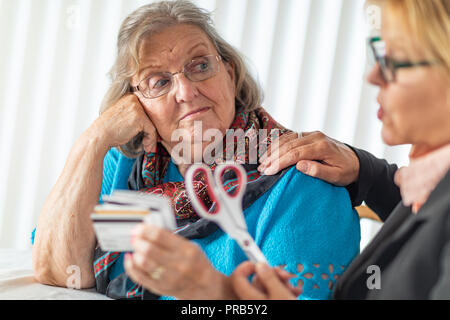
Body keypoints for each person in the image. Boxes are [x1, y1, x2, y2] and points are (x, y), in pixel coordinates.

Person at [31, 0, 360, 300]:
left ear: (229, 74)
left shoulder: (300, 180)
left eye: (200, 65)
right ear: (134, 104)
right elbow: (59, 267)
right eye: (158, 82)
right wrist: (94, 139)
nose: (186, 92)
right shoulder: (126, 168)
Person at [232, 0, 450, 300]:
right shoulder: (428, 183)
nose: (372, 76)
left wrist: (215, 295)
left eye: (392, 59)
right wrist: (364, 170)